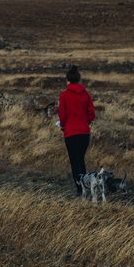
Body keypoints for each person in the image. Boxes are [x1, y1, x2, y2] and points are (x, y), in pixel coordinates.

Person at [57, 65, 95, 196]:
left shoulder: (64, 95)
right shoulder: (86, 95)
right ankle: (87, 186)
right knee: (81, 160)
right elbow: (92, 114)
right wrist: (85, 122)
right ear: (79, 80)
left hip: (71, 133)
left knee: (75, 162)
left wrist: (63, 126)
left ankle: (81, 189)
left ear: (67, 80)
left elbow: (62, 115)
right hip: (84, 133)